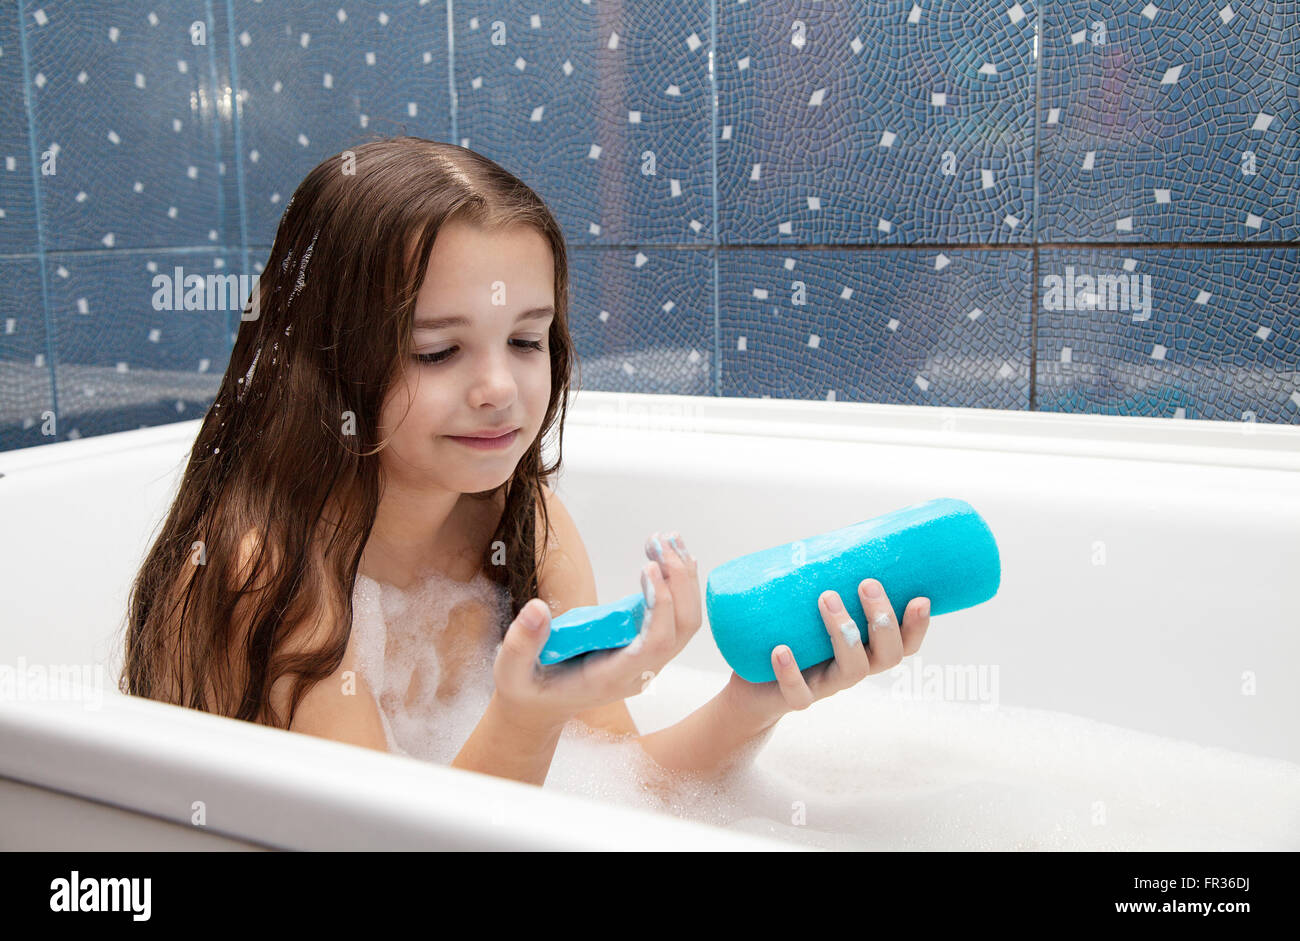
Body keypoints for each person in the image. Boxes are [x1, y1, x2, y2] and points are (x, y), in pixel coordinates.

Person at [122, 137, 930, 786]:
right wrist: (526, 717)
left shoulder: (521, 521)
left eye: (525, 339)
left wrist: (754, 703)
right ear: (327, 362)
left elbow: (619, 788)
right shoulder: (270, 570)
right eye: (438, 351)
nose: (499, 389)